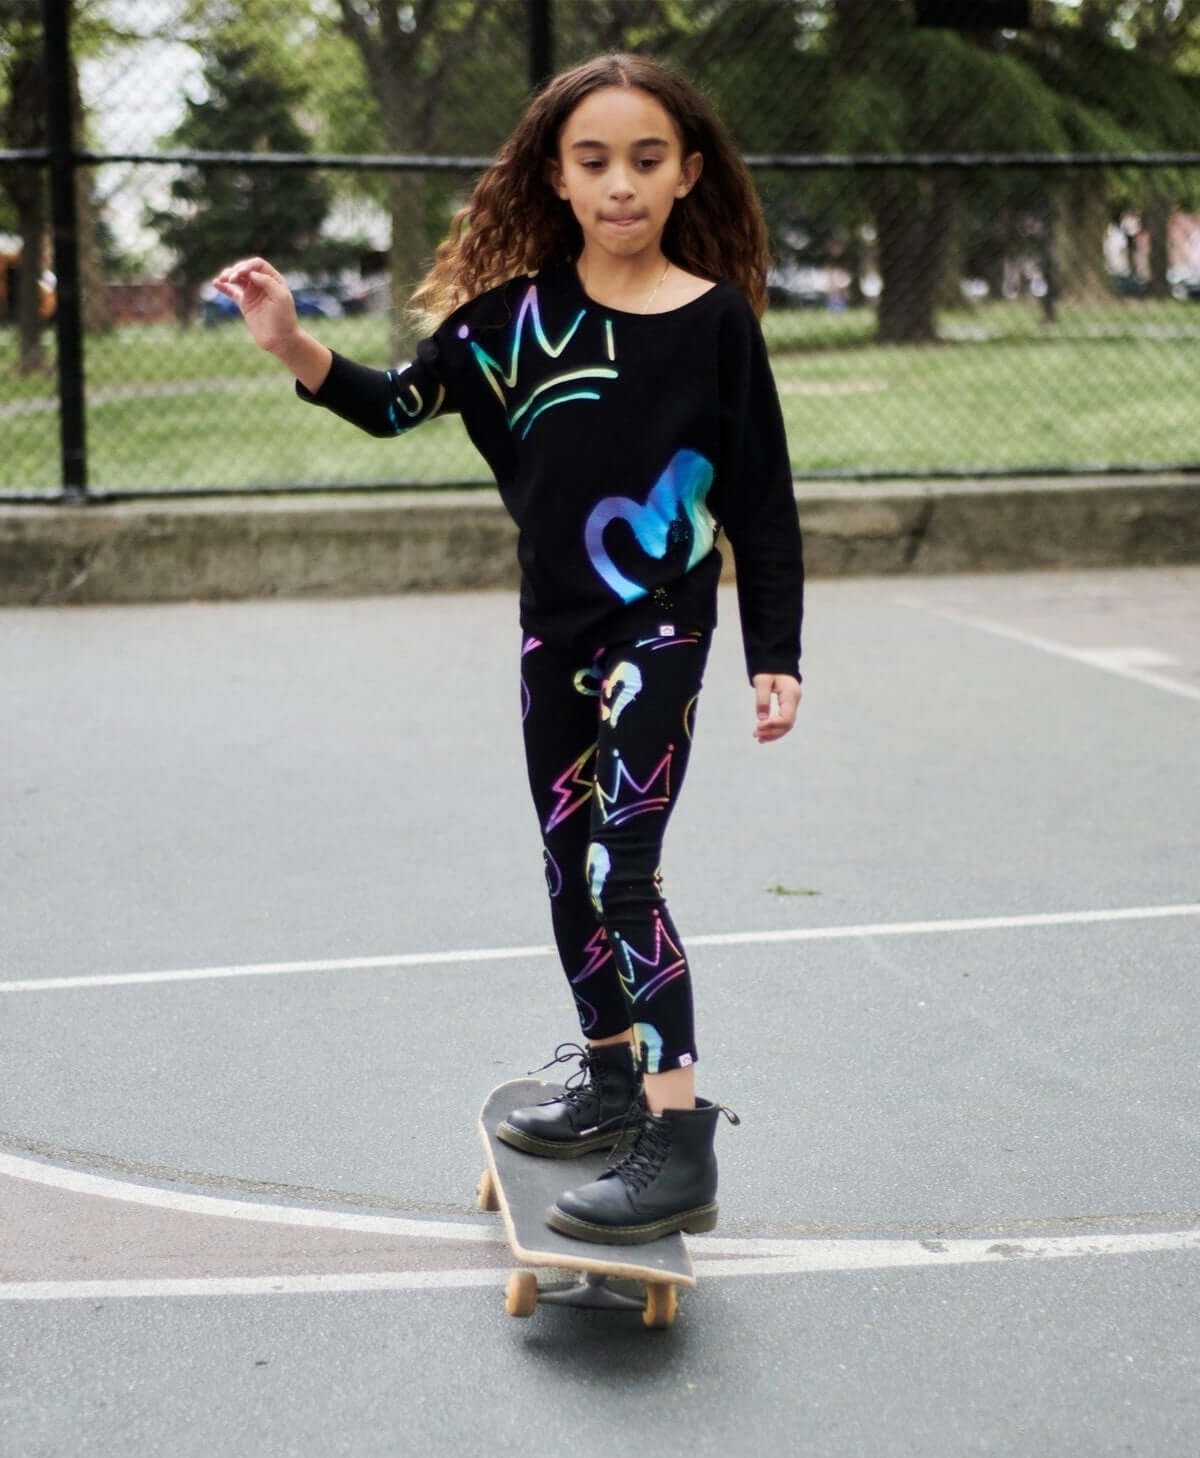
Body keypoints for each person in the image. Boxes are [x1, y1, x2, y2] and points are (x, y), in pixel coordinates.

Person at [213, 51, 804, 1248]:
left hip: (663, 629)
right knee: (566, 860)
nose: (622, 184)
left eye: (647, 160)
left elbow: (761, 496)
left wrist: (773, 651)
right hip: (554, 637)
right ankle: (608, 1075)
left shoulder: (716, 325)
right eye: (595, 161)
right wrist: (291, 345)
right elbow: (392, 404)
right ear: (557, 176)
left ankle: (679, 1144)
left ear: (688, 174)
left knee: (623, 869)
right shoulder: (509, 325)